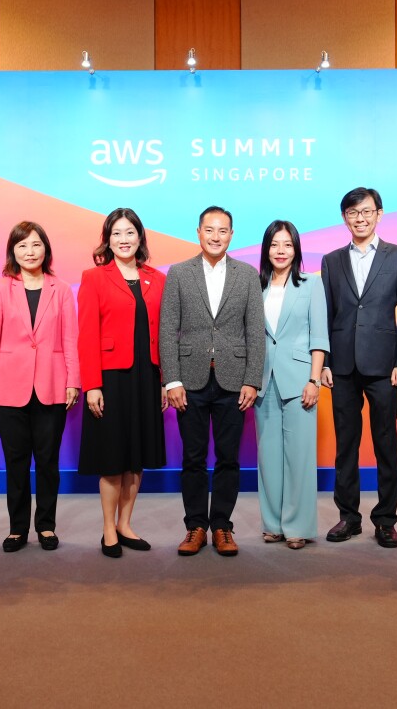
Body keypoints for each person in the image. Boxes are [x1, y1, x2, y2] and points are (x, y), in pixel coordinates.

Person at [160, 205, 265, 556]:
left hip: (234, 381)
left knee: (228, 458)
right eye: (209, 230)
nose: (216, 236)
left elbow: (255, 332)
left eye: (222, 231)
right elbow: (167, 329)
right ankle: (195, 527)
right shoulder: (179, 273)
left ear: (231, 235)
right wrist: (172, 380)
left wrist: (252, 380)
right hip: (189, 381)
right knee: (192, 458)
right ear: (198, 232)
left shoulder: (247, 275)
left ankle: (222, 526)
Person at [320, 186, 397, 548]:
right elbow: (326, 315)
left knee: (385, 443)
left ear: (379, 214)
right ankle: (349, 517)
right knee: (346, 444)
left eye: (366, 211)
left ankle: (386, 520)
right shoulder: (331, 261)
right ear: (344, 218)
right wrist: (325, 362)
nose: (359, 218)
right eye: (352, 213)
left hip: (383, 366)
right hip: (342, 366)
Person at [0, 222, 80, 552]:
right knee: (16, 461)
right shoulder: (0, 289)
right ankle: (18, 528)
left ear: (46, 249)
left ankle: (46, 526)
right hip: (8, 388)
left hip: (52, 385)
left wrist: (73, 381)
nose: (30, 251)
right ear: (13, 251)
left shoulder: (60, 289)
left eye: (36, 245)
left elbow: (70, 339)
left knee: (48, 461)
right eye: (22, 246)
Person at [77, 208, 167, 558]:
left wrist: (164, 381)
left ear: (140, 237)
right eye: (117, 233)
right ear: (108, 239)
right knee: (112, 458)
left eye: (130, 232)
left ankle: (125, 524)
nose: (124, 239)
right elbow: (87, 335)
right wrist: (92, 385)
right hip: (110, 378)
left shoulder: (157, 278)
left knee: (136, 457)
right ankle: (107, 529)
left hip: (147, 376)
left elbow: (165, 333)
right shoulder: (94, 278)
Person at [254, 221, 329, 550]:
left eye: (287, 244)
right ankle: (273, 524)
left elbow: (319, 336)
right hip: (262, 380)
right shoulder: (255, 286)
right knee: (269, 457)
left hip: (300, 379)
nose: (281, 250)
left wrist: (314, 379)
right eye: (274, 244)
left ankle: (298, 526)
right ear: (266, 249)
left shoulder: (312, 284)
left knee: (299, 457)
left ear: (296, 249)